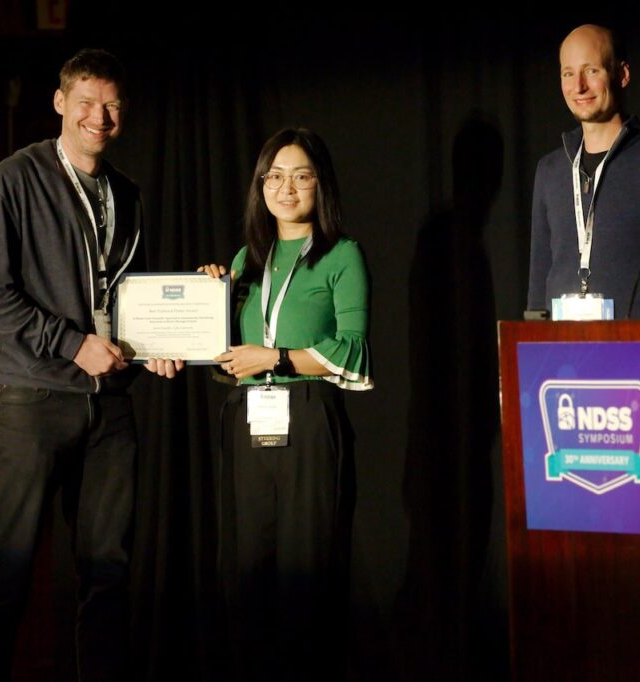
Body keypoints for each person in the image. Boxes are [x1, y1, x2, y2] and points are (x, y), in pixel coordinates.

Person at [0, 48, 180, 681]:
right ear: (60, 103)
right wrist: (69, 342)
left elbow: (123, 297)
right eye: (85, 102)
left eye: (110, 105)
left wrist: (153, 343)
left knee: (108, 575)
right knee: (7, 572)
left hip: (108, 407)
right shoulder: (14, 180)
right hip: (30, 399)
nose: (98, 116)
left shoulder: (127, 195)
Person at [200, 127, 372, 681]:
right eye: (275, 176)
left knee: (308, 576)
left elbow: (352, 352)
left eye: (301, 176)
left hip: (310, 421)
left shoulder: (342, 255)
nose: (287, 188)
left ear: (321, 185)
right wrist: (209, 299)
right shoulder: (247, 261)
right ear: (261, 186)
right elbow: (224, 354)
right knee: (245, 578)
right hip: (245, 425)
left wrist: (272, 357)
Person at [527, 23, 640, 318]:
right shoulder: (550, 170)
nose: (579, 87)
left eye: (592, 71)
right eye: (568, 73)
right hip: (563, 357)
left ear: (622, 74)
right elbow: (539, 281)